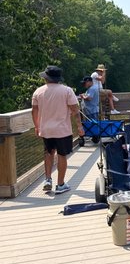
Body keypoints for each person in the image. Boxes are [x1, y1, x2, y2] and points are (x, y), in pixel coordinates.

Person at [31, 65, 84, 194]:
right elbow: (75, 111)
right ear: (58, 78)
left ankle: (48, 180)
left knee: (48, 153)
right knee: (62, 155)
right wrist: (80, 127)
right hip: (62, 130)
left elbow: (34, 111)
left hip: (46, 129)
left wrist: (37, 126)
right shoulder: (67, 91)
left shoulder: (38, 91)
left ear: (46, 78)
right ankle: (60, 185)